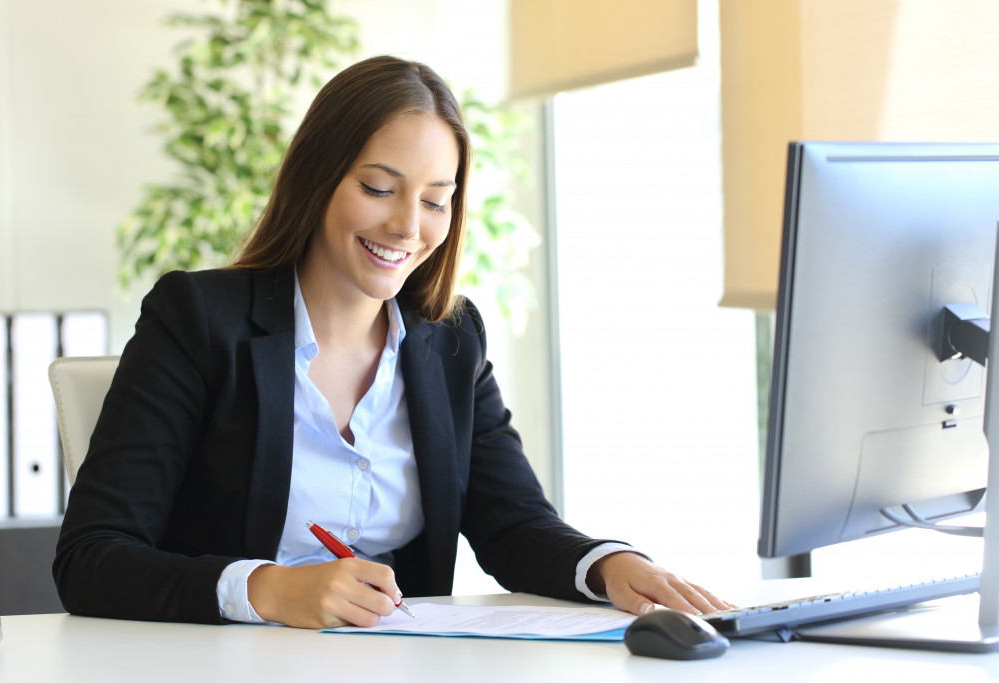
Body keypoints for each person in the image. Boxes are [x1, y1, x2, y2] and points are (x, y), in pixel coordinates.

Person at [54, 55, 731, 629]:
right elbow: (91, 557)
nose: (408, 226)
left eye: (437, 200)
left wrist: (611, 565)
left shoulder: (452, 341)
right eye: (380, 188)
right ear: (319, 178)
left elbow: (514, 525)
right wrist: (267, 588)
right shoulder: (199, 319)